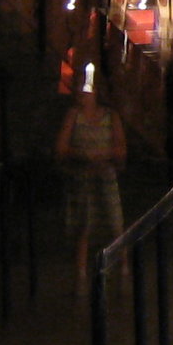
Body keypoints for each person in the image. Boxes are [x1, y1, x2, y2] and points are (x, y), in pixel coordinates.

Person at [53, 67, 127, 301]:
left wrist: (105, 154)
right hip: (83, 177)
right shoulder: (73, 115)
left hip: (105, 176)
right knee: (84, 225)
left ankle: (123, 270)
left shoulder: (110, 116)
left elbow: (121, 149)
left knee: (115, 223)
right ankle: (81, 276)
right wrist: (81, 155)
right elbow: (61, 147)